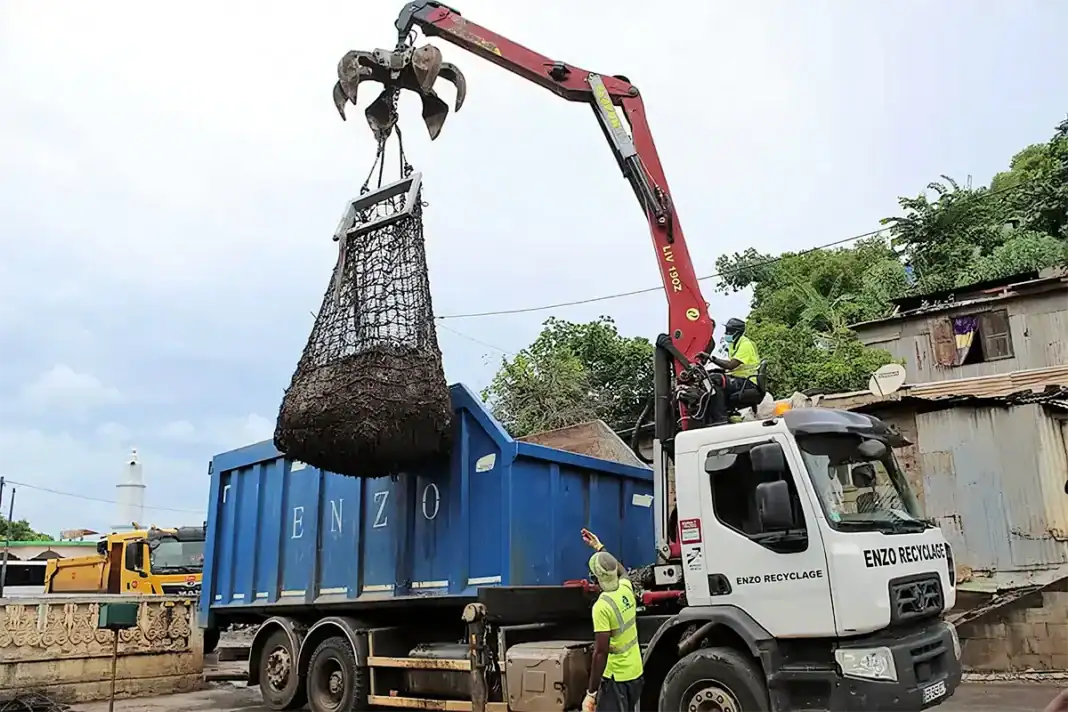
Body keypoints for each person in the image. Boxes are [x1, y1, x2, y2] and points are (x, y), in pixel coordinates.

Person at [580, 528, 643, 712]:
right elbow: (621, 570)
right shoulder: (626, 588)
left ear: (595, 578)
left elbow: (601, 652)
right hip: (635, 673)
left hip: (617, 679)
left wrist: (591, 693)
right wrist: (599, 547)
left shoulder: (602, 606)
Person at [703, 317, 764, 423]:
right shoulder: (734, 344)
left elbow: (731, 365)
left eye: (729, 331)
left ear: (737, 332)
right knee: (711, 377)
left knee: (717, 380)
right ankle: (720, 414)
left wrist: (711, 358)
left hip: (748, 382)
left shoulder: (745, 344)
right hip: (740, 378)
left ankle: (720, 418)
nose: (727, 333)